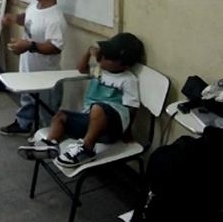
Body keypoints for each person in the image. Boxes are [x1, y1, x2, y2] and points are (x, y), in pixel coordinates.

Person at [17, 32, 144, 167]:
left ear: (124, 66)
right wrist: (88, 53)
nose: (101, 58)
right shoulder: (99, 70)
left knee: (98, 108)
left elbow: (132, 107)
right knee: (60, 116)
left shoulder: (128, 80)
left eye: (108, 57)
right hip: (90, 121)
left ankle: (87, 149)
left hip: (111, 128)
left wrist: (127, 132)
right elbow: (81, 68)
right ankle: (48, 145)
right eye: (103, 53)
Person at [0, 0, 67, 136]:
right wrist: (14, 18)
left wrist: (29, 45)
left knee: (46, 114)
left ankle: (44, 139)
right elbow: (28, 18)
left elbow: (55, 47)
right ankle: (23, 125)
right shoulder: (34, 6)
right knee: (27, 99)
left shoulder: (55, 18)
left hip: (46, 78)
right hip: (29, 69)